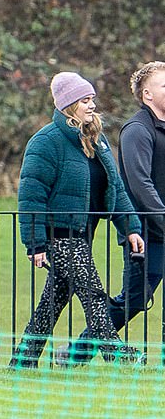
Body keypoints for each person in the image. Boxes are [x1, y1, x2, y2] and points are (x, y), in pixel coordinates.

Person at [10, 72, 145, 368]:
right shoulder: (46, 142)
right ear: (68, 105)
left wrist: (131, 227)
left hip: (84, 235)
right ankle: (117, 356)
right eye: (85, 100)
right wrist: (35, 243)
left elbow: (116, 188)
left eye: (92, 99)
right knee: (94, 295)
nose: (92, 105)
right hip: (59, 237)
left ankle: (22, 361)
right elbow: (31, 196)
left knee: (52, 304)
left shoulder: (97, 139)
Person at [63, 61, 165, 364]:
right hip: (146, 232)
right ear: (147, 94)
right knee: (134, 299)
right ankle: (75, 352)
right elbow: (139, 185)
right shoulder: (137, 130)